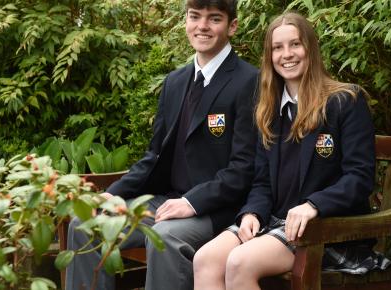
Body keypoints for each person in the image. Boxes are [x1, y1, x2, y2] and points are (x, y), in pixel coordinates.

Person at [65, 0, 259, 289]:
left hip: (218, 209)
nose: (202, 25)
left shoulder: (250, 81)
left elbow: (244, 169)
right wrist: (113, 194)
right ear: (186, 22)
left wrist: (191, 203)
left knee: (167, 235)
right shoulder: (175, 81)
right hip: (167, 202)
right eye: (195, 16)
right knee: (85, 224)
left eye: (214, 18)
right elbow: (154, 156)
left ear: (232, 26)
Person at [193, 12, 391, 290]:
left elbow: (359, 178)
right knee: (205, 259)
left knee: (239, 262)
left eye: (295, 44)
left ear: (310, 48)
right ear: (269, 56)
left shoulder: (345, 101)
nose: (287, 54)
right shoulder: (269, 109)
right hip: (274, 223)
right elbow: (261, 181)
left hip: (326, 229)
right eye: (278, 47)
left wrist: (314, 205)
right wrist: (252, 213)